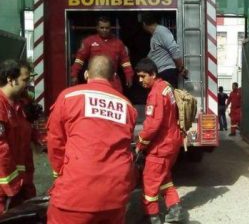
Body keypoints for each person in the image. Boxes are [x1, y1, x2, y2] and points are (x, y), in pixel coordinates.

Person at [47, 55, 137, 224]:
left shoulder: (69, 96)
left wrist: (60, 172)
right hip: (115, 196)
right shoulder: (127, 106)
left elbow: (55, 141)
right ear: (114, 78)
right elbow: (126, 147)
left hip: (75, 196)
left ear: (87, 74)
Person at [135, 58, 184, 224]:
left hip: (160, 147)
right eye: (138, 77)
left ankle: (152, 217)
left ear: (153, 74)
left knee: (149, 182)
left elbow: (152, 125)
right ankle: (175, 208)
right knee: (164, 177)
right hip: (172, 143)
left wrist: (140, 145)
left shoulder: (155, 94)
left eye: (143, 76)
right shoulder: (166, 87)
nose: (140, 80)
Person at [0, 59, 32, 213]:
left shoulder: (19, 105)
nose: (28, 84)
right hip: (5, 191)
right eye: (25, 80)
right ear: (10, 80)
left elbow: (23, 140)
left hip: (19, 186)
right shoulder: (1, 106)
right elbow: (1, 151)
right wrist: (12, 187)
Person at [70, 16, 134, 92]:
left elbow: (125, 62)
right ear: (97, 28)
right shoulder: (88, 41)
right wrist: (74, 74)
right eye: (102, 27)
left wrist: (129, 76)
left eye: (107, 28)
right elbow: (79, 60)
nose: (104, 30)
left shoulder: (118, 43)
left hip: (113, 80)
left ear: (110, 28)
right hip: (94, 79)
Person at [142, 12, 187, 88]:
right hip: (161, 72)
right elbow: (154, 52)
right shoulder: (155, 35)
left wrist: (180, 67)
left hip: (166, 72)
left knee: (165, 96)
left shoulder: (161, 31)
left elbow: (174, 49)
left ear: (144, 24)